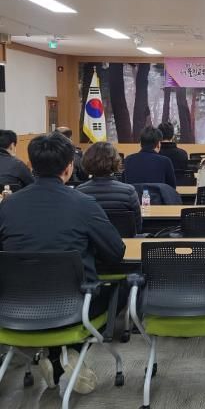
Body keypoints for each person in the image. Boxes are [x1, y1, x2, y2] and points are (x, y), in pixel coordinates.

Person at [0, 132, 125, 393]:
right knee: (123, 284)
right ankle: (71, 351)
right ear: (69, 168)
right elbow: (116, 252)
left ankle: (55, 356)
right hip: (73, 309)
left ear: (31, 165)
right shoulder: (84, 204)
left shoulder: (7, 206)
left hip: (12, 309)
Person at [77, 142, 142, 234]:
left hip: (91, 242)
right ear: (116, 161)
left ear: (87, 161)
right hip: (124, 241)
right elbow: (137, 228)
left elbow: (77, 225)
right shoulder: (129, 192)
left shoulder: (79, 191)